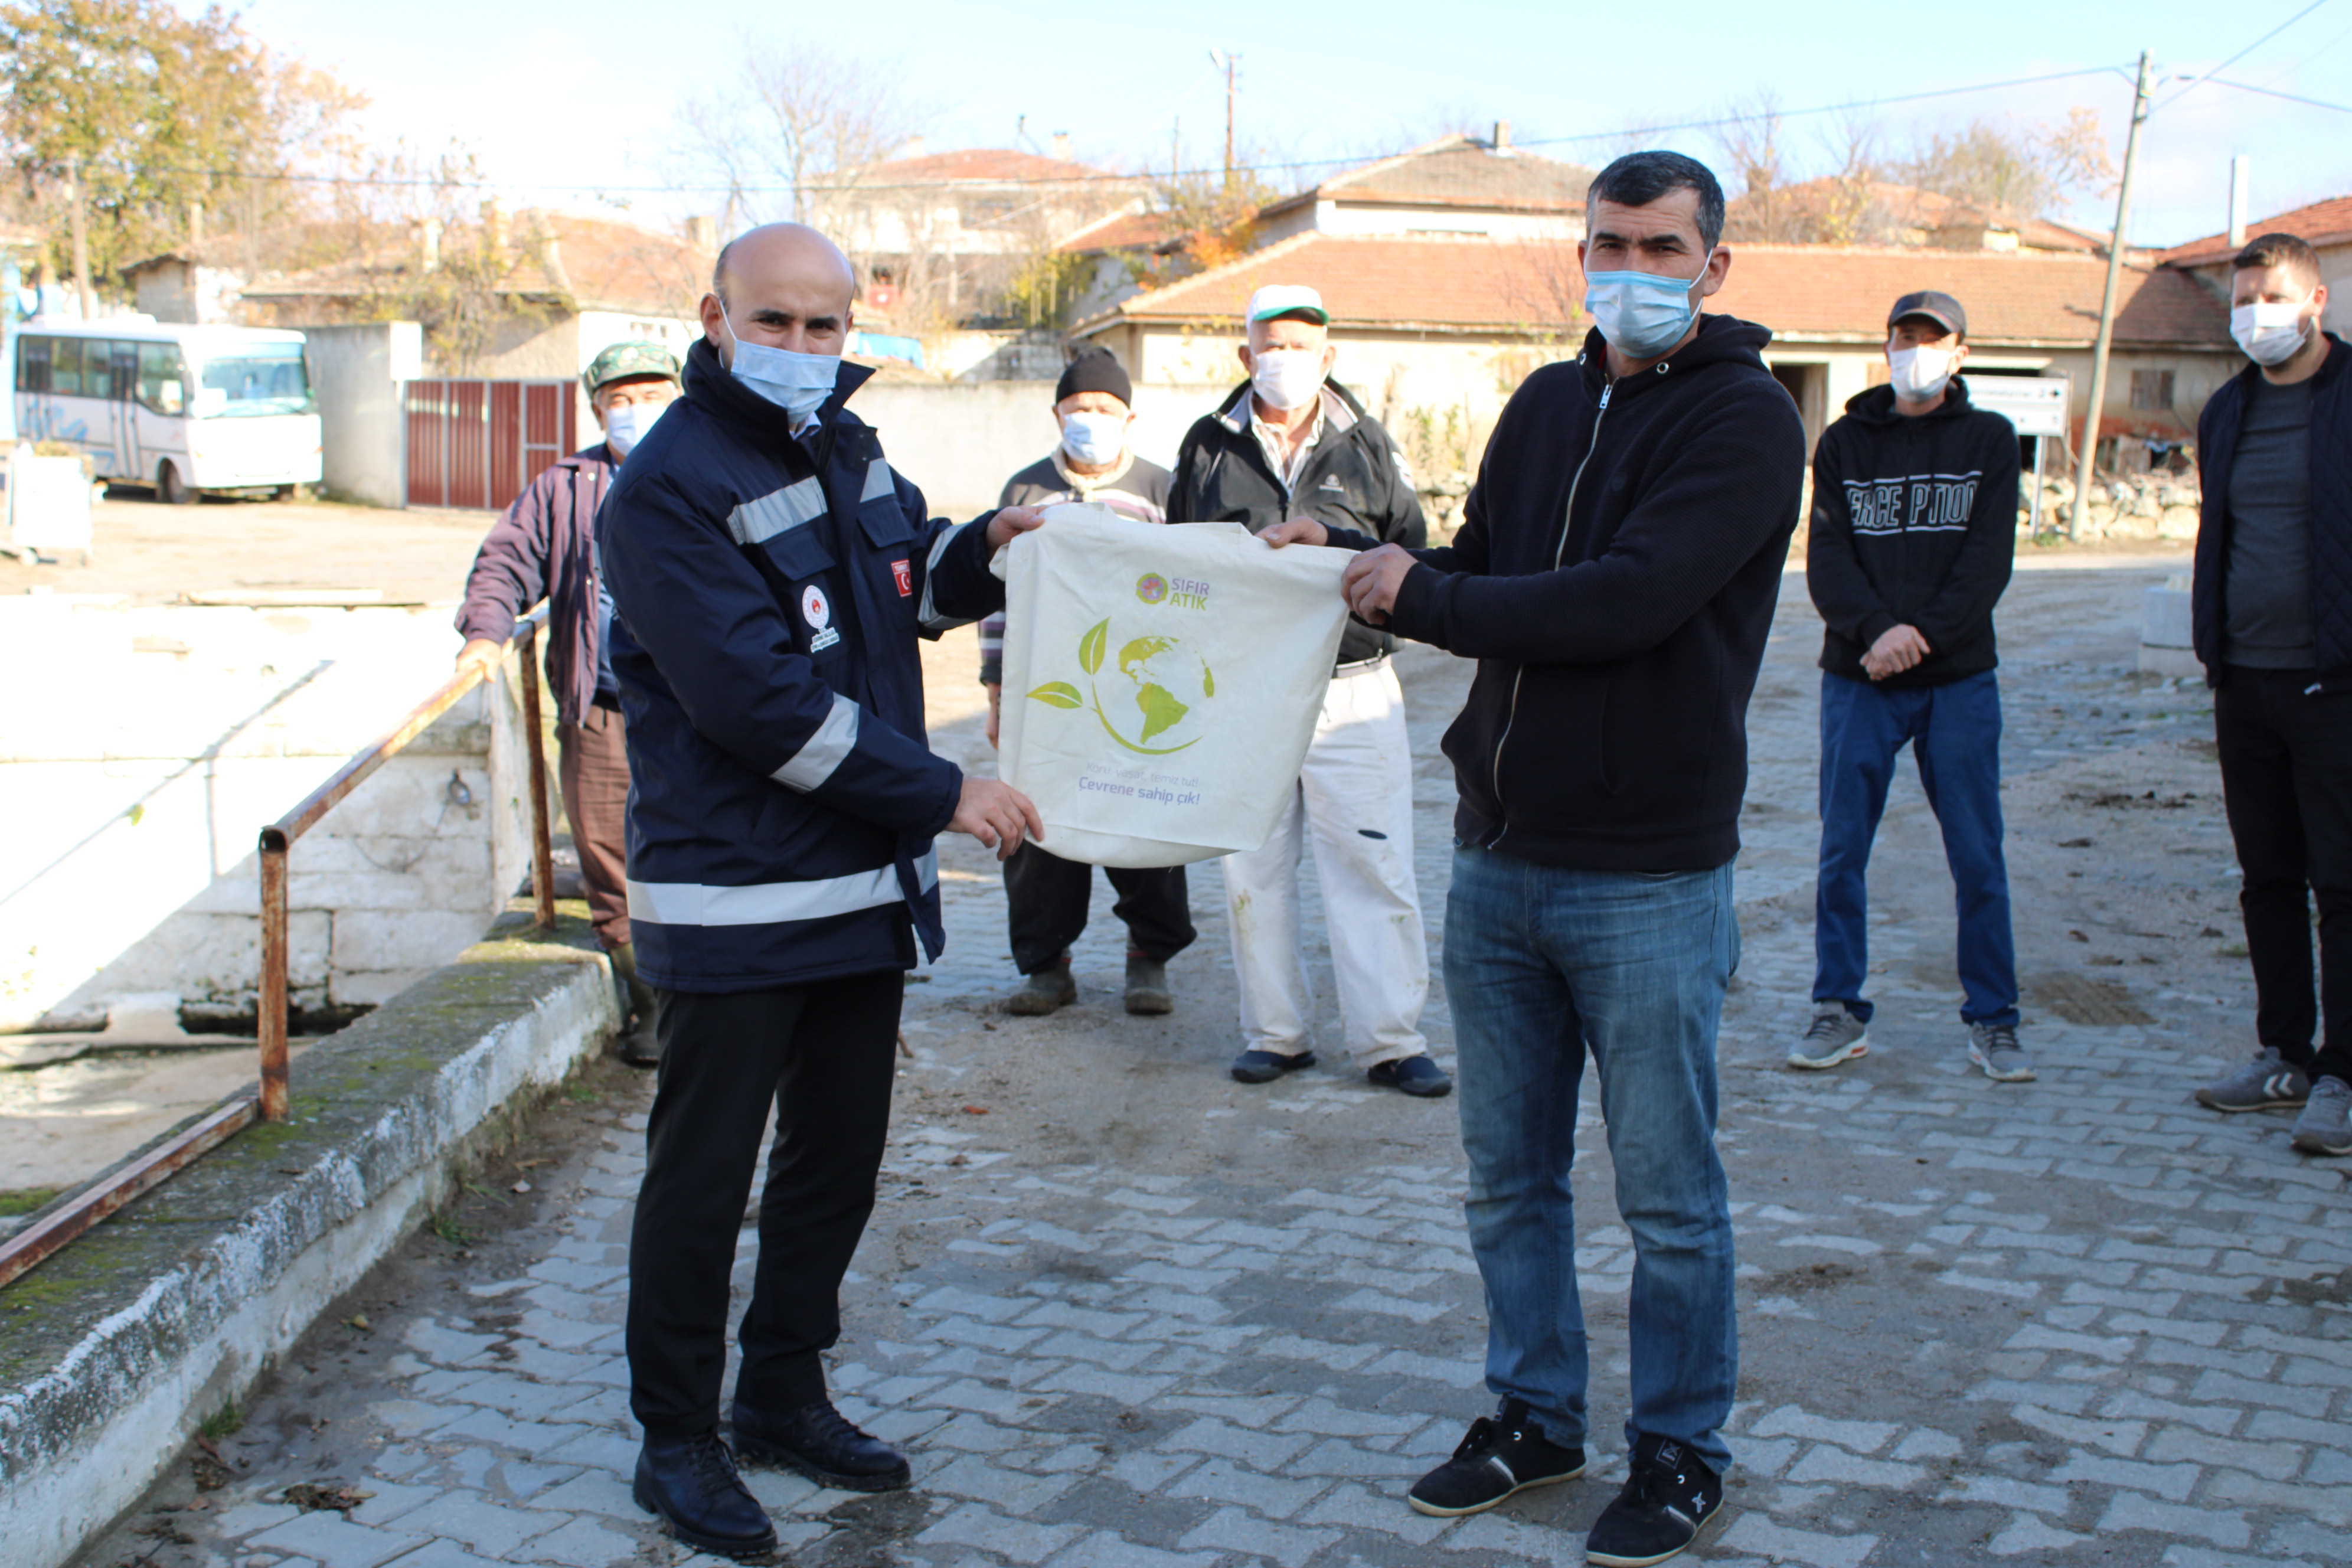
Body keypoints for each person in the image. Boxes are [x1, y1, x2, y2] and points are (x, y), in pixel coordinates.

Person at [1301, 151, 1805, 1565]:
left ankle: (1681, 1446)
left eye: (1660, 246)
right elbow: (1475, 557)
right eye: (1606, 243)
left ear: (1713, 267)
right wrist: (1342, 555)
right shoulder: (1539, 403)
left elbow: (1626, 601)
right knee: (1507, 1179)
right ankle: (1534, 1414)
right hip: (1501, 860)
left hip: (1647, 874)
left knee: (1668, 1197)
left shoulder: (1748, 422)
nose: (1628, 268)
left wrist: (1431, 596)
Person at [597, 223, 1045, 1557]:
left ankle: (781, 1392)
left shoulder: (843, 446)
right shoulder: (668, 486)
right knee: (703, 1177)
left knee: (832, 1167)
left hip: (853, 891)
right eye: (774, 322)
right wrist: (940, 792)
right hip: (739, 899)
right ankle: (674, 1438)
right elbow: (756, 702)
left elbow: (902, 583)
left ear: (855, 327)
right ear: (715, 315)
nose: (800, 348)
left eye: (823, 326)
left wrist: (997, 542)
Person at [1167, 283, 1449, 1097]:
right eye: (1271, 343)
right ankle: (1278, 1035)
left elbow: (1411, 553)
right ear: (1244, 352)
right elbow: (1186, 558)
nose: (1284, 358)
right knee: (1252, 866)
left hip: (1353, 685)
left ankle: (1392, 1041)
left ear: (1329, 356)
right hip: (1243, 689)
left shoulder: (1367, 444)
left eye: (1301, 345)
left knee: (1374, 860)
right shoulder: (1208, 445)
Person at [1793, 290, 2028, 1082]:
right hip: (1860, 677)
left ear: (1961, 352)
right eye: (1904, 337)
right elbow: (1827, 559)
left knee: (1976, 853)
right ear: (1886, 345)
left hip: (1957, 680)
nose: (1916, 350)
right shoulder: (1844, 443)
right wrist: (1877, 633)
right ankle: (1838, 1007)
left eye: (1933, 339)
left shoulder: (1990, 441)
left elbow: (1985, 565)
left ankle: (1993, 1018)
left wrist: (1917, 636)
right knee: (1840, 850)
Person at [454, 340, 681, 1065]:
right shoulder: (566, 485)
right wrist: (486, 634)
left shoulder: (710, 470)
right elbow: (505, 563)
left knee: (699, 847)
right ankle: (650, 1004)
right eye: (620, 400)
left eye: (651, 394)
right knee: (609, 854)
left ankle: (721, 1000)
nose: (635, 411)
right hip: (606, 704)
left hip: (701, 705)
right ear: (596, 410)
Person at [2189, 231, 2352, 1158]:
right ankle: (2284, 1052)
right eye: (2244, 299)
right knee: (2269, 881)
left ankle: (2343, 1075)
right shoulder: (2227, 408)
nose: (2257, 314)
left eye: (2275, 296)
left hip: (2336, 683)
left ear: (2318, 300)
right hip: (2245, 679)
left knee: (2345, 882)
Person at [976, 346, 1195, 1017]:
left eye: (1103, 408)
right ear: (1056, 413)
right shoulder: (1025, 489)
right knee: (1039, 823)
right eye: (1078, 408)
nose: (1090, 419)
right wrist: (996, 690)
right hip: (1049, 693)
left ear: (1129, 416)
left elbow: (1195, 593)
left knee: (1146, 814)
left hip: (1138, 692)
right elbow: (995, 593)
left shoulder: (1163, 489)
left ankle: (1148, 958)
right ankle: (1047, 966)